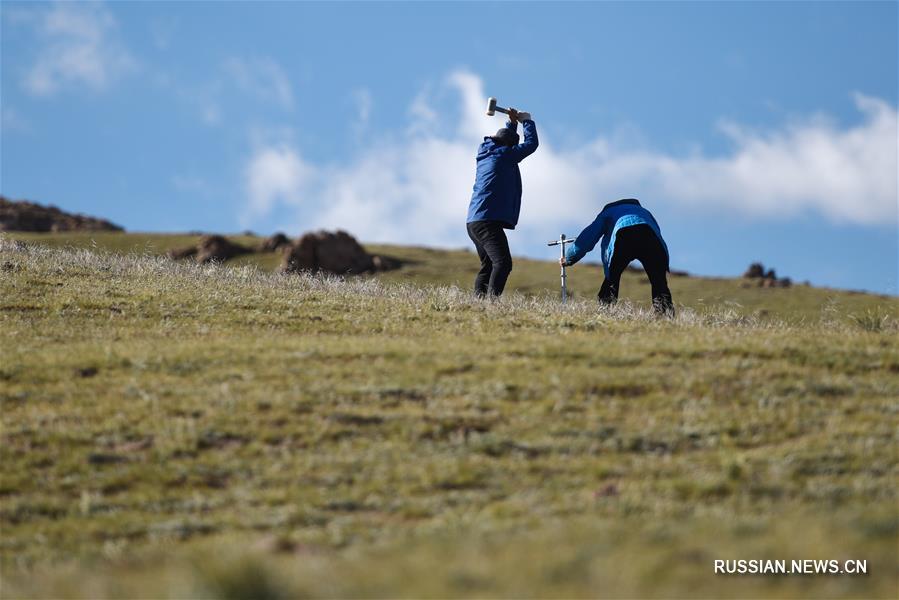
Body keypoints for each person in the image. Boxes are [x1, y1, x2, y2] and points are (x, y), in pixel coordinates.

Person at [466, 108, 538, 297]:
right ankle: (491, 303)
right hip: (488, 221)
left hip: (474, 221)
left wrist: (512, 123)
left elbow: (507, 139)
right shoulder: (505, 155)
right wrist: (526, 121)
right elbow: (531, 144)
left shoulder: (487, 153)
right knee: (503, 263)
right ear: (509, 146)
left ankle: (478, 302)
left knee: (488, 265)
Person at [561, 198, 675, 316]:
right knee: (659, 282)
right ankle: (665, 316)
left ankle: (605, 313)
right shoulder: (644, 212)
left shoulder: (607, 213)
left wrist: (569, 258)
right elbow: (657, 232)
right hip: (650, 238)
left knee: (612, 279)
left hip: (623, 236)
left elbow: (588, 237)